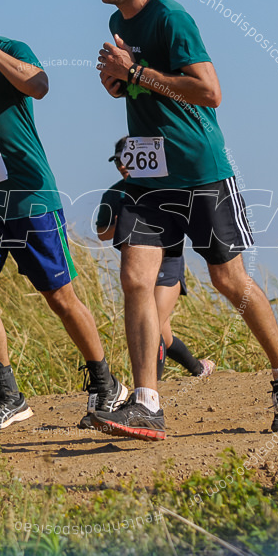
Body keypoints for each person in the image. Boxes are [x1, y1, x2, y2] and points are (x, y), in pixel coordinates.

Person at [86, 0, 278, 441]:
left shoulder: (171, 18)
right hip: (148, 179)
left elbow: (209, 92)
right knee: (135, 278)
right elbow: (146, 89)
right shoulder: (117, 20)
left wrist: (136, 73)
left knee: (229, 282)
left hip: (200, 172)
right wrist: (119, 85)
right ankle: (147, 402)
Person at [0, 0, 127, 432]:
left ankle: (105, 382)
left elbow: (39, 85)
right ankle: (8, 395)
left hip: (30, 195)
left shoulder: (10, 47)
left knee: (60, 297)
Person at [96, 137, 214, 380]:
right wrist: (120, 222)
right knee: (164, 334)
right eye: (118, 161)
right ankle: (199, 368)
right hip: (138, 267)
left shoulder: (163, 185)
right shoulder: (113, 193)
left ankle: (149, 393)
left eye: (125, 159)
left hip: (168, 262)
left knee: (153, 327)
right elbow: (102, 232)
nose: (122, 165)